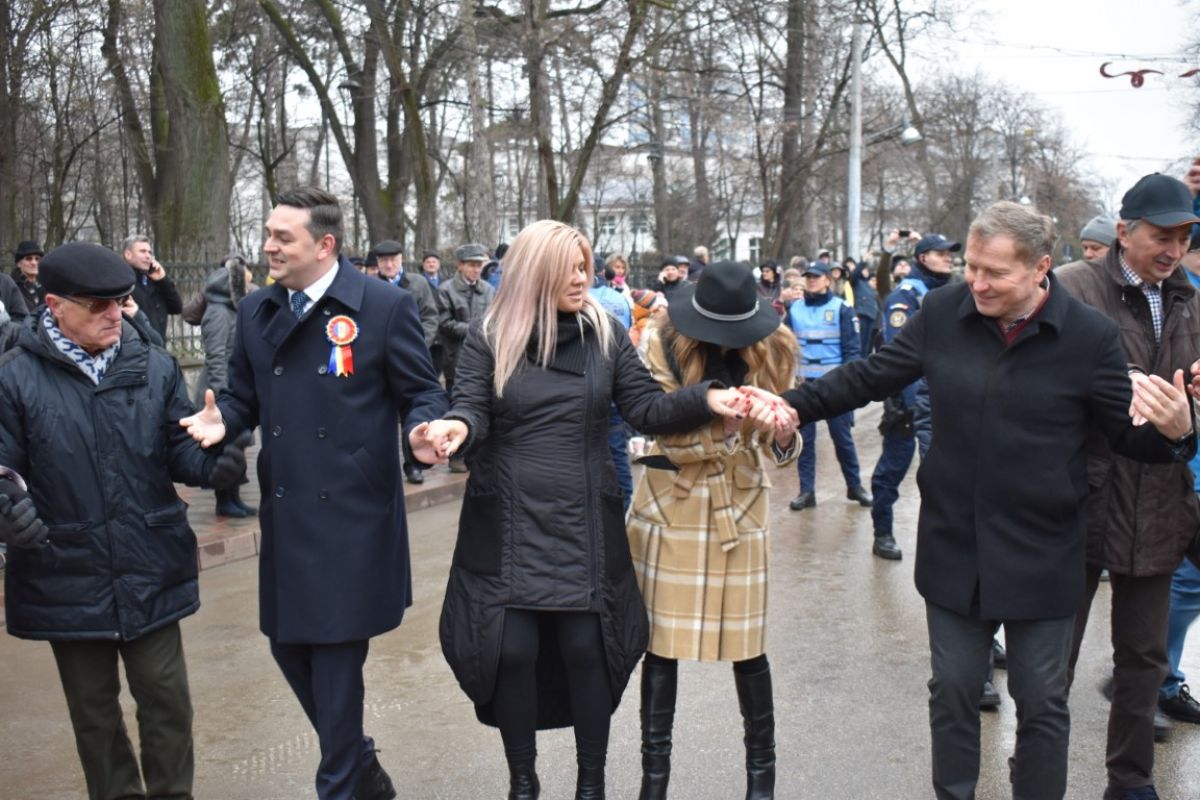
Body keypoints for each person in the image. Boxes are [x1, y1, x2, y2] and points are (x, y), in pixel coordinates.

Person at [769, 200, 1196, 800]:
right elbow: (870, 376)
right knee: (953, 691)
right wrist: (791, 405)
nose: (977, 282)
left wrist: (1177, 432)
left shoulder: (1088, 336)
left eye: (995, 272)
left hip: (1044, 552)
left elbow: (1127, 438)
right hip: (956, 546)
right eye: (971, 266)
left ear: (1040, 268)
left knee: (1042, 702)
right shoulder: (944, 313)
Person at [423, 220, 747, 800]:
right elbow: (469, 408)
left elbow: (646, 409)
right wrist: (454, 427)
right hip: (506, 521)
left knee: (586, 649)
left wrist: (708, 397)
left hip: (585, 521)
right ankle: (523, 783)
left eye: (585, 267)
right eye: (569, 269)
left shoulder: (606, 333)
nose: (582, 278)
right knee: (511, 651)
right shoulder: (489, 336)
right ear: (536, 273)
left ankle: (590, 785)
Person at [179, 187, 448, 800]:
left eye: (283, 237)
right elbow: (243, 396)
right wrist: (224, 420)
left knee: (334, 660)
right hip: (288, 510)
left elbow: (422, 392)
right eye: (267, 234)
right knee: (287, 646)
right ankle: (361, 764)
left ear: (325, 245)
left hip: (354, 513)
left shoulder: (383, 306)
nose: (268, 247)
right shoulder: (256, 310)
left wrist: (425, 428)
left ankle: (341, 785)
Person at [0, 242, 244, 800]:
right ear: (55, 305)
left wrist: (218, 455)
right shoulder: (13, 378)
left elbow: (180, 453)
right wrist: (8, 509)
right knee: (94, 715)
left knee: (167, 701)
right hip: (65, 570)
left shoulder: (155, 366)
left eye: (122, 300)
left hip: (148, 563)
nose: (116, 314)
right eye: (99, 305)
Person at [626, 261, 799, 800]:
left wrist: (783, 434)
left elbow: (779, 449)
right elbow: (655, 426)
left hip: (740, 508)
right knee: (661, 649)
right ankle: (654, 783)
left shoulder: (776, 346)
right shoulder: (661, 340)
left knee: (749, 648)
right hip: (670, 506)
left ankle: (762, 783)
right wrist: (722, 428)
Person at [1056, 173, 1200, 800]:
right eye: (1162, 236)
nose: (1174, 250)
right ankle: (1036, 773)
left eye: (1184, 237)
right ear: (1123, 231)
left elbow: (1189, 409)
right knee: (1051, 660)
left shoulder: (1191, 298)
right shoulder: (1071, 288)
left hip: (1159, 500)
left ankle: (1132, 781)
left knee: (1143, 659)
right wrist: (1120, 388)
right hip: (1079, 497)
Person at [866, 229, 951, 561]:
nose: (948, 258)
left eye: (949, 253)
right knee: (892, 470)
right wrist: (913, 404)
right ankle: (883, 532)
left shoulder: (950, 292)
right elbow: (900, 356)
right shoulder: (905, 296)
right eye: (941, 253)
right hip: (908, 401)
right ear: (923, 258)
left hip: (942, 397)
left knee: (942, 474)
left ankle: (942, 540)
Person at [786, 261, 872, 511]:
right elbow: (785, 347)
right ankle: (806, 491)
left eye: (816, 276)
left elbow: (853, 351)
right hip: (803, 385)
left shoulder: (842, 308)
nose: (811, 280)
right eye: (808, 277)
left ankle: (854, 486)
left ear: (828, 280)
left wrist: (849, 386)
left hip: (835, 386)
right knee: (804, 440)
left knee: (842, 439)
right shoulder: (794, 309)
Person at [194, 254, 258, 518]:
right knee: (223, 449)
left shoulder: (232, 310)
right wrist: (222, 394)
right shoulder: (218, 313)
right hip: (218, 391)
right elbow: (216, 356)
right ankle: (224, 500)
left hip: (233, 388)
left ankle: (235, 497)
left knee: (236, 446)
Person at [437, 243, 496, 471]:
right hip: (456, 358)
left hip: (485, 358)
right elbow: (445, 323)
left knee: (485, 404)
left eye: (479, 265)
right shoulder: (446, 290)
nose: (476, 269)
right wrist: (475, 330)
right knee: (458, 405)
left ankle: (479, 452)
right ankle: (457, 455)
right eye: (472, 265)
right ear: (460, 265)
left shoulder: (488, 290)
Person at [122, 235, 183, 344]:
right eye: (142, 251)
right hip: (137, 348)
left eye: (150, 252)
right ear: (128, 255)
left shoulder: (154, 282)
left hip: (158, 348)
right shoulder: (123, 284)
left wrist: (163, 280)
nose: (148, 256)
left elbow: (176, 307)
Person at [11, 239, 43, 312]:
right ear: (19, 264)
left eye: (37, 259)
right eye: (29, 259)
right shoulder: (12, 286)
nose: (34, 262)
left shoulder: (47, 285)